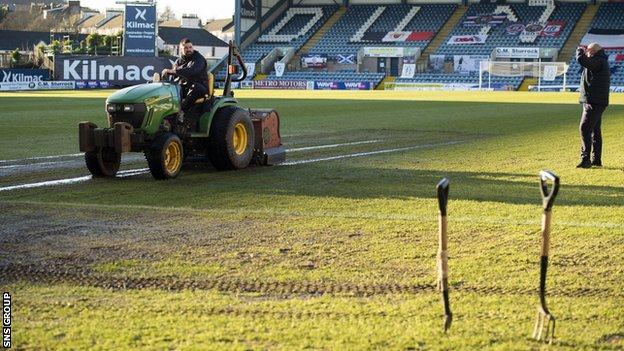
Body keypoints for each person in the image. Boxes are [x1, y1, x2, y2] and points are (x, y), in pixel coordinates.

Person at [575, 42, 611, 168]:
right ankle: (596, 159)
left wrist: (580, 51)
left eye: (588, 51)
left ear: (593, 52)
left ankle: (586, 159)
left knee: (584, 128)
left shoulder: (598, 61)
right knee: (595, 130)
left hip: (593, 101)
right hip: (597, 101)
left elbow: (581, 60)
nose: (587, 53)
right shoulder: (601, 61)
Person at [162, 38, 208, 119]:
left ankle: (181, 112)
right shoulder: (178, 61)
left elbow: (192, 70)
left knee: (195, 87)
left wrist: (175, 71)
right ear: (181, 49)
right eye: (186, 48)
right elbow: (174, 75)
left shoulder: (199, 59)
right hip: (184, 86)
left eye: (190, 47)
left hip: (200, 86)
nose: (189, 49)